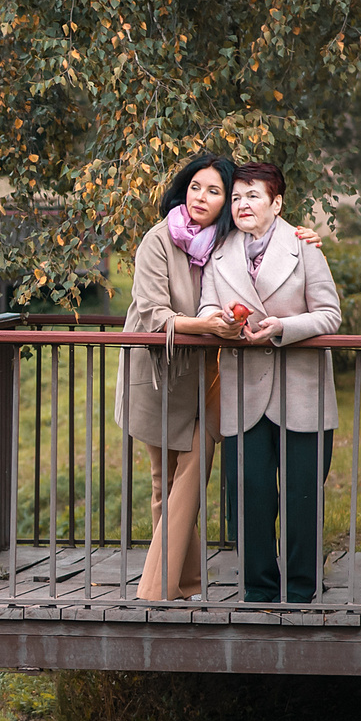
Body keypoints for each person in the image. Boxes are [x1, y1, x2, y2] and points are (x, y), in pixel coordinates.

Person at [118, 154, 323, 599]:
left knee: (192, 475)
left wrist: (306, 236)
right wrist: (209, 325)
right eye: (196, 187)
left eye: (215, 191)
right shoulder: (159, 240)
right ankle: (174, 585)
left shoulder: (227, 240)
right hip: (159, 373)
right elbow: (156, 315)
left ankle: (165, 584)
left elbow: (271, 237)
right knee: (164, 481)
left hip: (209, 378)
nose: (202, 198)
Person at [201, 162, 344, 602]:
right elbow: (207, 307)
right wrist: (220, 320)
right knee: (249, 497)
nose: (243, 204)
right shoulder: (218, 251)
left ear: (276, 202)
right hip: (244, 392)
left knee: (303, 499)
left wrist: (282, 326)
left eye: (254, 196)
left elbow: (330, 315)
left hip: (301, 388)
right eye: (238, 197)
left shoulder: (304, 248)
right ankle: (258, 591)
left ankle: (302, 591)